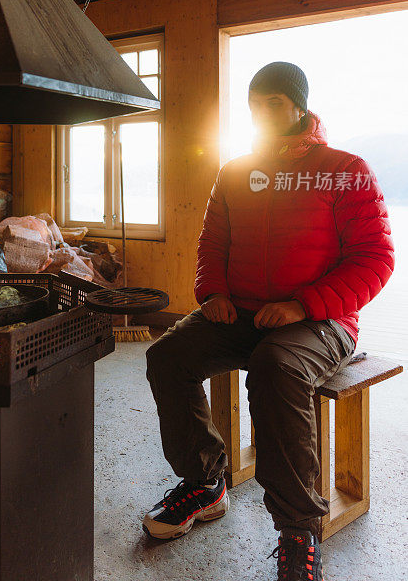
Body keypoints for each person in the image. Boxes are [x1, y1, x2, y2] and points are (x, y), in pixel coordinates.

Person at [142, 61, 395, 580]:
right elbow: (213, 243)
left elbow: (375, 258)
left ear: (299, 105)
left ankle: (299, 532)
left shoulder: (345, 169)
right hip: (241, 311)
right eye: (254, 105)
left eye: (273, 103)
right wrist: (212, 291)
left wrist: (304, 304)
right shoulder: (235, 170)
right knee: (168, 354)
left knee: (274, 367)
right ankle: (205, 482)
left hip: (322, 320)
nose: (261, 113)